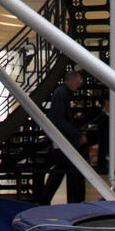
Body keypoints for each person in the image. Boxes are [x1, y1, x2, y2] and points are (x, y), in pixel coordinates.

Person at [39, 69, 88, 205]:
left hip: (61, 139)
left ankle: (46, 199)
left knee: (60, 171)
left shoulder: (61, 93)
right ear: (71, 81)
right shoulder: (62, 94)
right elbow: (61, 120)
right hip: (63, 140)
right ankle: (75, 200)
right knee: (65, 171)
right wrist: (77, 135)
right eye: (78, 82)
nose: (79, 85)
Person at [92, 98, 115, 197]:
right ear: (106, 103)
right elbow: (103, 139)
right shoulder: (104, 118)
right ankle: (106, 201)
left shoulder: (110, 117)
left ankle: (107, 201)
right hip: (112, 155)